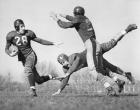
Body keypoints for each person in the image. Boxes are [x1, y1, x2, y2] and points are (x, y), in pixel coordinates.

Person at [52, 24, 137, 95]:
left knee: (111, 45)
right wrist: (59, 90)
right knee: (107, 68)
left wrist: (69, 72)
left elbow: (76, 61)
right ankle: (122, 78)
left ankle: (127, 29)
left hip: (93, 51)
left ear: (67, 58)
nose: (64, 64)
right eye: (61, 63)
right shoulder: (66, 68)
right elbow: (66, 78)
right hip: (95, 56)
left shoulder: (72, 58)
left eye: (63, 61)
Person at [5, 19, 62, 97]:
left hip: (31, 55)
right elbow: (6, 48)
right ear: (17, 27)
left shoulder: (29, 33)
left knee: (28, 69)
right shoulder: (10, 36)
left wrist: (52, 43)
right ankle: (51, 76)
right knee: (38, 80)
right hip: (23, 59)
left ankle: (33, 91)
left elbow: (40, 40)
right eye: (21, 26)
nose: (23, 28)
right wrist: (10, 54)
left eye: (24, 26)